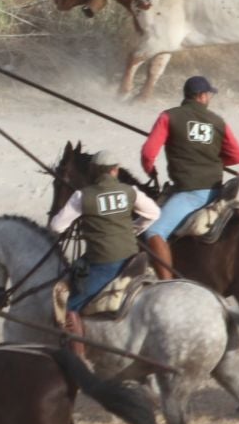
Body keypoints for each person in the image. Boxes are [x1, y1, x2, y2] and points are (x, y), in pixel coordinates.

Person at [49, 149, 159, 353]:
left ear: (94, 171)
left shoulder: (82, 196)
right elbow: (154, 212)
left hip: (104, 262)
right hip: (134, 258)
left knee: (69, 306)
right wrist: (134, 228)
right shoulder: (130, 191)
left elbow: (56, 227)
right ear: (115, 170)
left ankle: (78, 359)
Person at [138, 74, 239, 279]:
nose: (210, 98)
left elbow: (148, 153)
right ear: (202, 96)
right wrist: (213, 162)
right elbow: (238, 156)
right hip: (217, 190)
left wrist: (150, 169)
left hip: (190, 193)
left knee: (154, 232)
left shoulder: (168, 116)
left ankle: (166, 284)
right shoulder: (218, 121)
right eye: (209, 94)